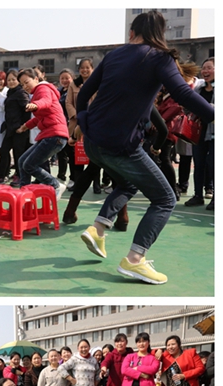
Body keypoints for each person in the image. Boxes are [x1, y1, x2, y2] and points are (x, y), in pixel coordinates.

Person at [76, 10, 214, 285]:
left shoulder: (114, 55)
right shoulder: (158, 57)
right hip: (120, 145)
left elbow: (84, 93)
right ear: (160, 34)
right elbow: (183, 93)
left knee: (128, 183)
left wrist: (83, 121)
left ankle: (98, 229)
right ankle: (135, 259)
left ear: (132, 32)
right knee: (165, 199)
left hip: (93, 141)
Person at [15, 69, 69, 201]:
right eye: (22, 84)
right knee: (22, 161)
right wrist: (25, 126)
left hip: (55, 135)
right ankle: (24, 195)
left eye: (26, 82)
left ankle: (55, 185)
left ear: (36, 79)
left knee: (29, 165)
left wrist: (35, 105)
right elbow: (38, 118)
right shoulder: (37, 93)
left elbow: (45, 101)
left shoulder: (43, 89)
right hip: (50, 135)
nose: (25, 86)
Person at [184, 58, 215, 211]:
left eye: (209, 68)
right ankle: (198, 195)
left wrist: (208, 107)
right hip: (199, 132)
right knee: (199, 164)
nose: (205, 71)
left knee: (213, 165)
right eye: (204, 68)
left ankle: (215, 198)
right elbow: (189, 105)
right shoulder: (198, 89)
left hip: (214, 133)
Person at [0, 69, 30, 187]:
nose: (11, 82)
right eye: (9, 80)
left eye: (14, 79)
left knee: (19, 153)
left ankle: (20, 176)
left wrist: (23, 127)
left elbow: (27, 110)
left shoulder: (21, 93)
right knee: (4, 151)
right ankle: (1, 176)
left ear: (18, 81)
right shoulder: (9, 92)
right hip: (10, 128)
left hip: (20, 129)